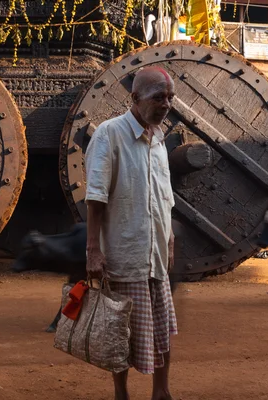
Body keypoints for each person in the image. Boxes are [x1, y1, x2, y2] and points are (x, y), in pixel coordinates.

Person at [84, 66, 178, 400]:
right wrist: (93, 251)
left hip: (155, 256)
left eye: (169, 97)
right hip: (124, 255)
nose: (165, 104)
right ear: (135, 98)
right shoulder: (109, 134)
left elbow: (163, 197)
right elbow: (96, 196)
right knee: (119, 333)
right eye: (158, 97)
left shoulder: (160, 138)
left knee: (163, 328)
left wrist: (169, 238)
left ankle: (161, 392)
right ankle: (121, 393)